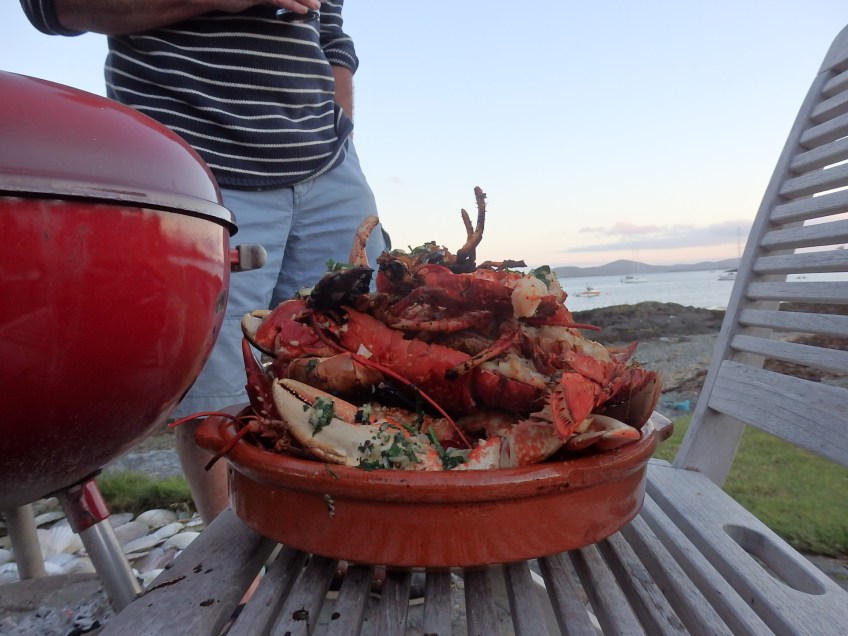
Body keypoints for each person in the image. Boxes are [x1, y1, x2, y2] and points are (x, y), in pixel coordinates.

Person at [21, 0, 387, 524]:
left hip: (330, 164)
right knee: (216, 397)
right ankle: (236, 560)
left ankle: (353, 538)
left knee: (369, 366)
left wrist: (339, 120)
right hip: (196, 166)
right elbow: (52, 7)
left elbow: (331, 31)